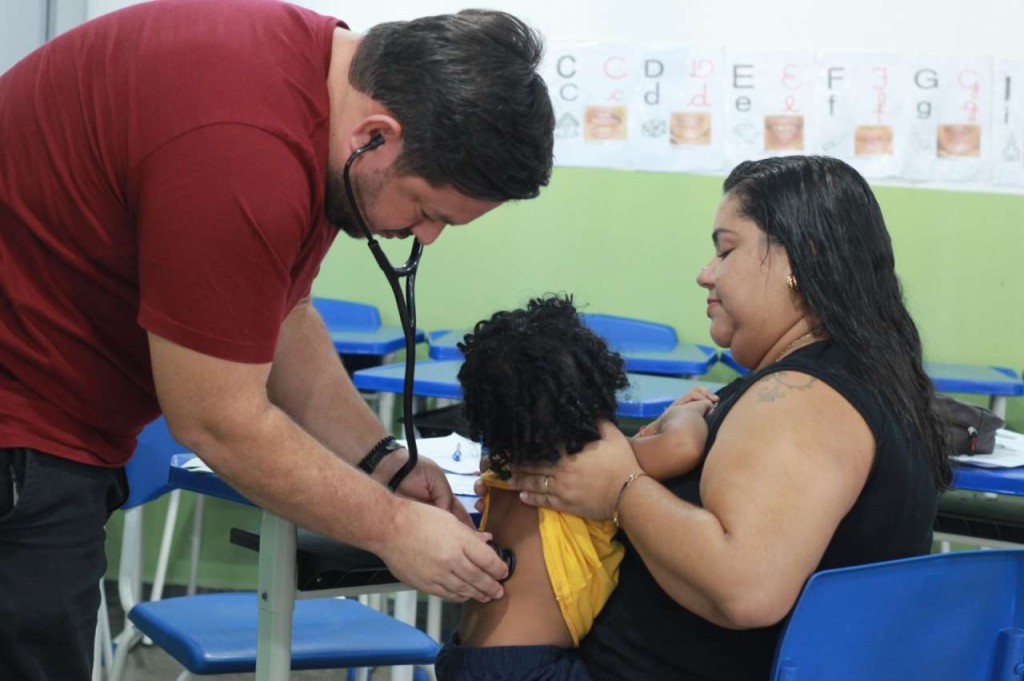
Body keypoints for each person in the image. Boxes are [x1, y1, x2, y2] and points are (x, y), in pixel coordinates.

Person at [0, 1, 554, 678]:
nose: (425, 237)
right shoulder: (243, 147)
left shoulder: (315, 81)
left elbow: (282, 313)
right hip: (20, 423)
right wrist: (394, 527)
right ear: (376, 135)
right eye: (425, 210)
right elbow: (218, 419)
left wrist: (383, 460)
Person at [510, 156, 951, 681]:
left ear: (803, 257)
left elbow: (745, 589)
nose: (706, 273)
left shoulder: (802, 398)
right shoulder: (853, 379)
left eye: (726, 250)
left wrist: (620, 488)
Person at [435, 295, 717, 681]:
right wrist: (686, 412)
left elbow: (627, 452)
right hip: (532, 671)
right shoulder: (579, 464)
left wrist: (660, 420)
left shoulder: (506, 463)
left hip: (466, 656)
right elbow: (682, 447)